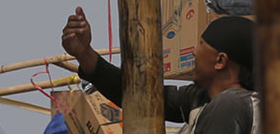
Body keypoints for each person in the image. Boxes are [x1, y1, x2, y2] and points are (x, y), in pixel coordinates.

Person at [61, 7, 255, 134]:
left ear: (220, 61)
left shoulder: (231, 104)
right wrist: (84, 54)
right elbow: (140, 97)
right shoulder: (202, 98)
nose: (195, 51)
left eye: (201, 45)